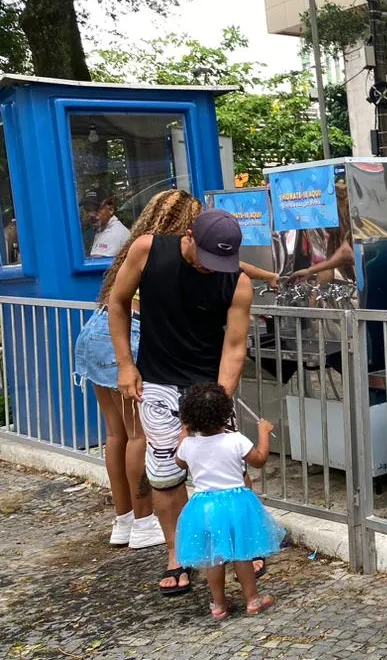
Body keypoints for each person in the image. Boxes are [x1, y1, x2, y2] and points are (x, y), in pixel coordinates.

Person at [108, 208, 257, 596]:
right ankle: (177, 552)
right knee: (164, 473)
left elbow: (235, 346)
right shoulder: (147, 250)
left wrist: (219, 401)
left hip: (208, 386)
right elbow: (119, 302)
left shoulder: (236, 281)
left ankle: (241, 545)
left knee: (228, 471)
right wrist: (125, 364)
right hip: (157, 381)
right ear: (188, 236)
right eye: (206, 259)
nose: (211, 269)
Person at [74, 189, 202, 551]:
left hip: (95, 334)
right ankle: (146, 522)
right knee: (139, 436)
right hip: (125, 340)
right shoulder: (166, 252)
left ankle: (124, 519)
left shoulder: (135, 246)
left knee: (116, 435)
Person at [174, 383, 284, 619]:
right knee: (241, 553)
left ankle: (219, 604)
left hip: (205, 507)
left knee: (215, 556)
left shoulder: (188, 445)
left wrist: (184, 432)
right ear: (226, 412)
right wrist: (263, 432)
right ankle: (252, 600)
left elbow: (179, 462)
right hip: (236, 503)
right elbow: (260, 460)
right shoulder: (236, 440)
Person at [86, 193, 131, 259]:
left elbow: (97, 266)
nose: (91, 214)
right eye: (87, 210)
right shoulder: (102, 228)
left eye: (96, 209)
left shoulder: (112, 234)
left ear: (110, 210)